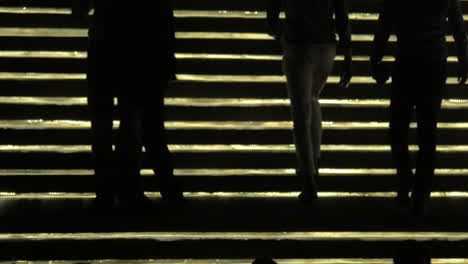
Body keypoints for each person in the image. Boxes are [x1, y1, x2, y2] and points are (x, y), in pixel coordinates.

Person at [72, 0, 185, 210]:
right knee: (130, 126)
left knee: (104, 127)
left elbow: (78, 11)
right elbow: (163, 16)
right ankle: (129, 191)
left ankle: (106, 194)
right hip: (135, 53)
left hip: (105, 49)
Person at [371, 0, 468, 214]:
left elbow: (384, 23)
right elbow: (457, 26)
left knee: (399, 129)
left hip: (407, 61)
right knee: (427, 131)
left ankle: (408, 184)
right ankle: (420, 194)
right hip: (433, 62)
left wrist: (375, 60)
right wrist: (463, 58)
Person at [267, 0, 352, 202]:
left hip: (298, 45)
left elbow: (271, 20)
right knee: (313, 100)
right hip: (326, 48)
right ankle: (313, 163)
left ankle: (308, 179)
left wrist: (282, 35)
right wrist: (348, 58)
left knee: (300, 112)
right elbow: (342, 18)